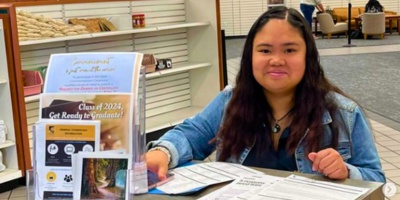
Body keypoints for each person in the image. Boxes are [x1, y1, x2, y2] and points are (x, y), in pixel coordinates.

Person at [146, 6, 385, 183]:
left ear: (307, 56)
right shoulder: (231, 102)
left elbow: (376, 179)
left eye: (290, 50)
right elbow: (190, 136)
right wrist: (162, 152)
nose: (276, 60)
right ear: (251, 55)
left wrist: (346, 171)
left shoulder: (344, 113)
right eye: (265, 50)